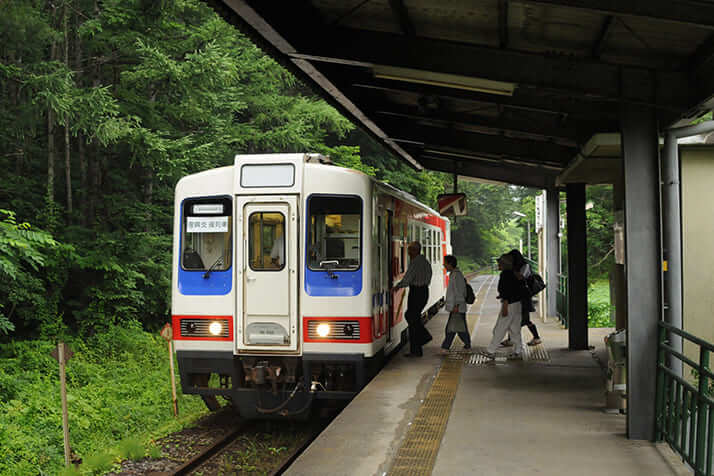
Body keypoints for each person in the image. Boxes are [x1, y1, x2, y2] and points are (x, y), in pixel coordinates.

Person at [393, 241, 433, 357]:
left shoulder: (415, 262)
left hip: (416, 292)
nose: (408, 252)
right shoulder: (425, 261)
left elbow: (408, 278)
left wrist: (397, 287)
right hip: (424, 291)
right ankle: (417, 349)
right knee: (413, 318)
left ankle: (423, 339)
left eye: (410, 250)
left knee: (411, 317)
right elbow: (429, 275)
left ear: (415, 250)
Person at [481, 253, 524, 359]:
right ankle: (518, 350)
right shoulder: (515, 273)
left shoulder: (505, 274)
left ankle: (491, 351)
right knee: (514, 329)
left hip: (509, 304)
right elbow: (515, 289)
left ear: (504, 264)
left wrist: (505, 304)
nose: (498, 265)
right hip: (517, 304)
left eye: (499, 263)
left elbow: (507, 290)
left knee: (500, 328)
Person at [500, 249, 542, 347]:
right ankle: (513, 339)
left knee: (525, 319)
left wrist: (512, 270)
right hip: (517, 297)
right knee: (516, 319)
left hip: (524, 297)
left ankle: (536, 338)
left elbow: (521, 277)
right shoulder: (515, 267)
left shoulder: (525, 266)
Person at [440, 255, 471, 354]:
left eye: (445, 263)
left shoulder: (456, 275)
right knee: (459, 328)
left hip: (457, 307)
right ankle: (467, 344)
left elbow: (459, 292)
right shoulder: (454, 274)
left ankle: (446, 347)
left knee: (451, 328)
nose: (443, 264)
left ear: (450, 264)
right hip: (456, 306)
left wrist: (457, 305)